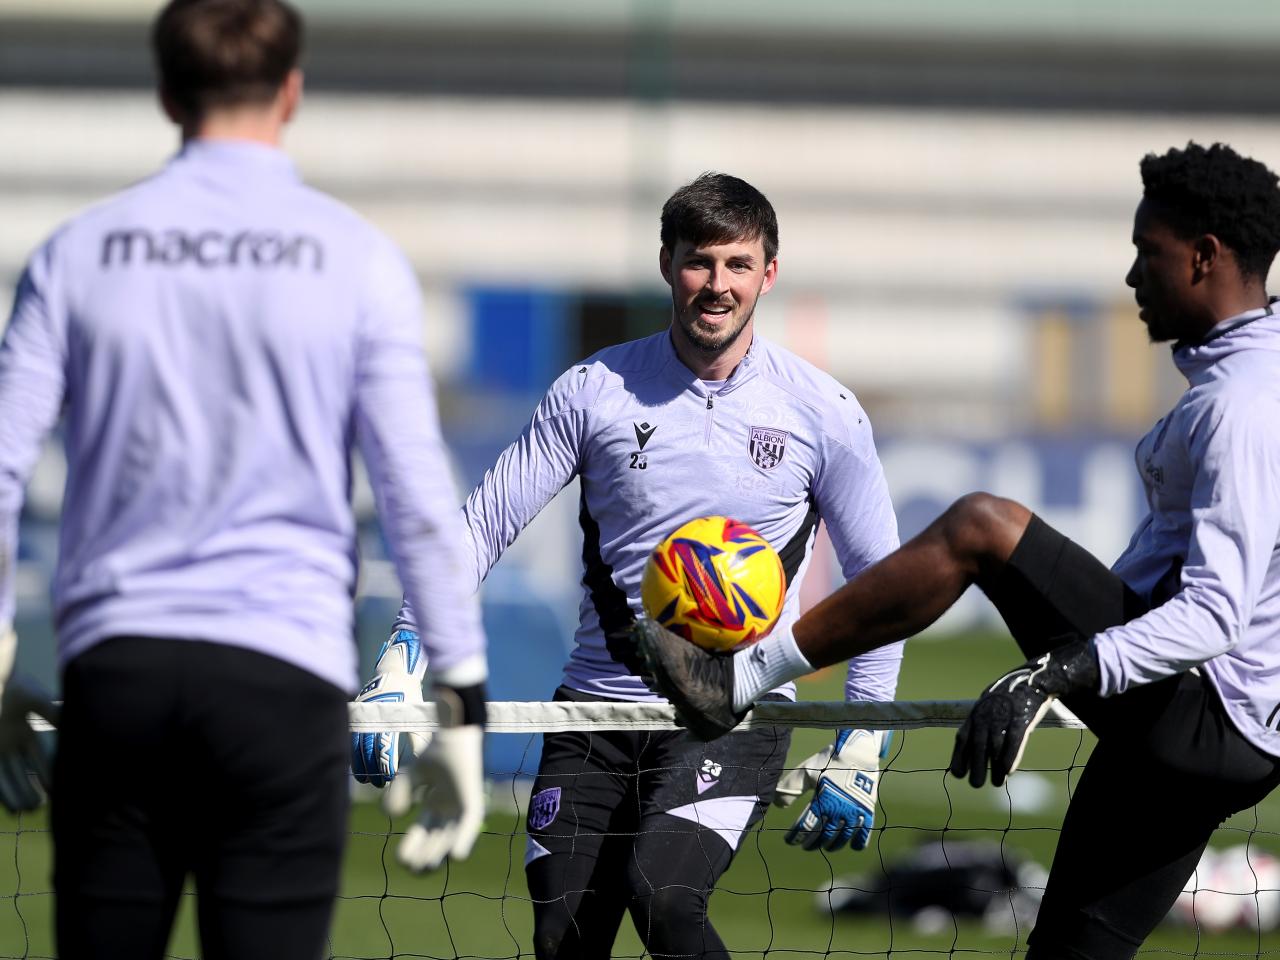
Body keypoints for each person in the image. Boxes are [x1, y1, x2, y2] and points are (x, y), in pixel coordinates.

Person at [636, 141, 1280, 959]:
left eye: (1145, 254)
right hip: (1201, 729)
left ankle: (744, 674)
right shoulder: (1252, 372)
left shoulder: (1244, 406)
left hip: (1200, 714)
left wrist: (1064, 669)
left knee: (983, 525)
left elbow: (1217, 613)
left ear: (1204, 257)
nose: (1130, 278)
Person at [0, 1, 488, 957]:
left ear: (166, 92)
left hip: (118, 678)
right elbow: (416, 500)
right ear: (293, 92)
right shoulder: (357, 260)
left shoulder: (77, 253)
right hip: (281, 683)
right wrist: (461, 704)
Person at [352, 172, 903, 959]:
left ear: (769, 273)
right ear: (665, 263)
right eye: (698, 262)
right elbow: (483, 524)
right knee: (562, 939)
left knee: (666, 901)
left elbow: (883, 586)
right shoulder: (593, 390)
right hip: (593, 719)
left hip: (731, 716)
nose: (717, 286)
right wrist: (407, 649)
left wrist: (862, 736)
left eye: (737, 265)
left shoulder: (824, 412)